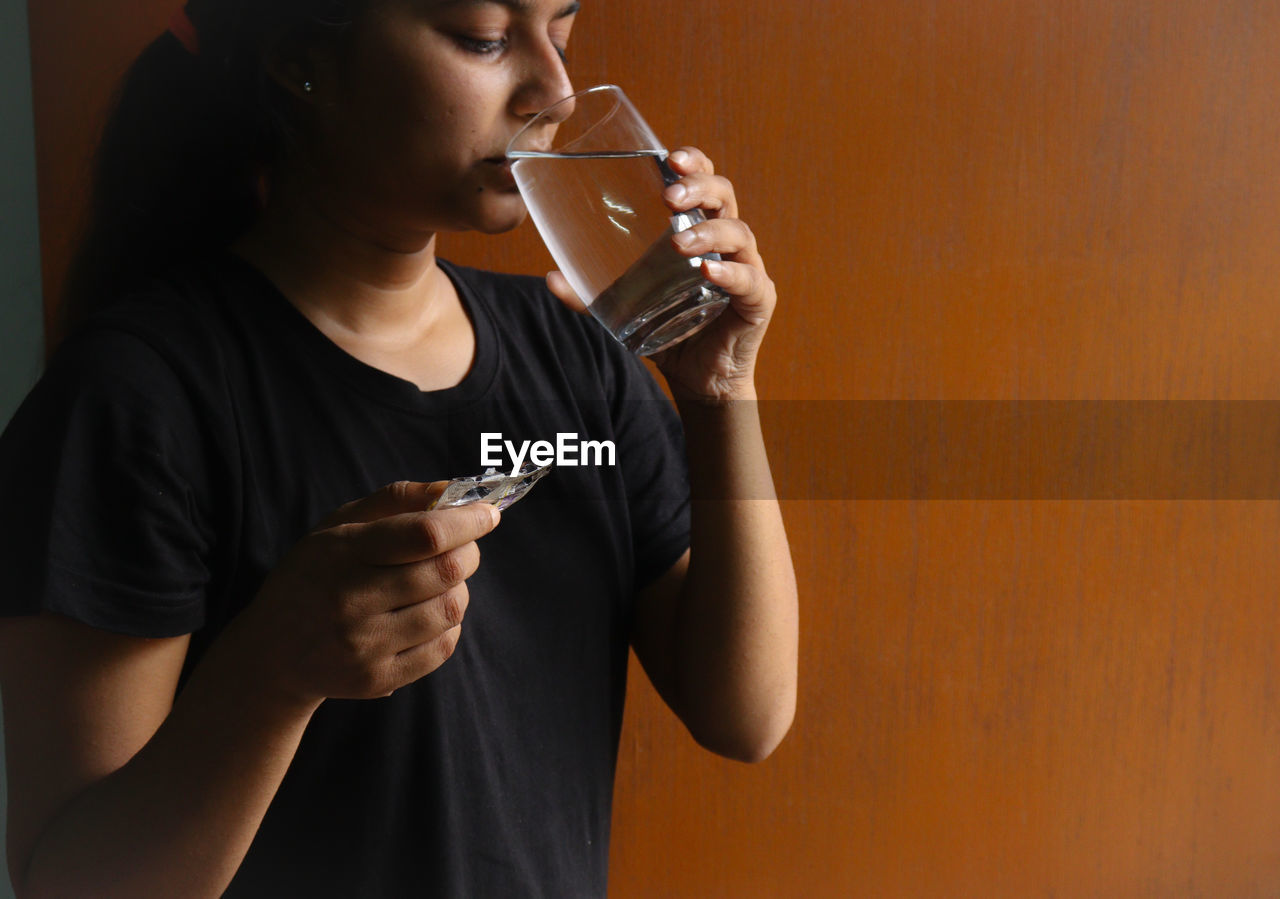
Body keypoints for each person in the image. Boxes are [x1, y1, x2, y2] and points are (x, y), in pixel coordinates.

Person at [0, 0, 797, 895]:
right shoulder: (136, 400)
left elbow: (747, 714)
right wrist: (272, 674)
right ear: (305, 58)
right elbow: (71, 882)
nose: (558, 90)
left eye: (562, 33)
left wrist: (722, 391)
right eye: (486, 40)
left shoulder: (577, 360)